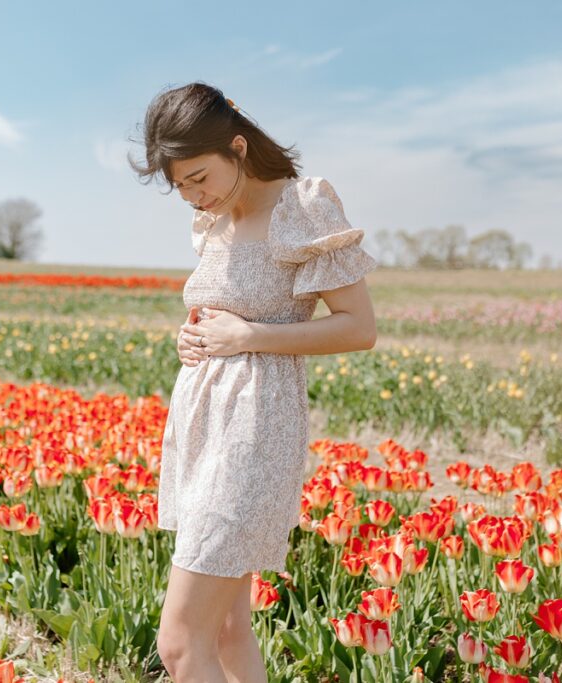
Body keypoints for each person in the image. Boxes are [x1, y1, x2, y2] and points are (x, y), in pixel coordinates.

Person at [129, 81, 379, 682]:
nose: (191, 195)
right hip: (200, 428)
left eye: (198, 178)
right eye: (180, 186)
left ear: (237, 147)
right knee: (226, 630)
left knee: (181, 645)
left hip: (254, 434)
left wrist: (248, 338)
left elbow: (358, 327)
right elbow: (222, 314)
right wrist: (191, 338)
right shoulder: (214, 223)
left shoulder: (301, 208)